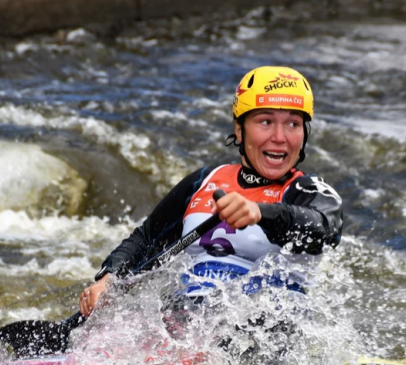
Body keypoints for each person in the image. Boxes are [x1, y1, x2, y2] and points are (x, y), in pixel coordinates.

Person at [79, 66, 343, 320]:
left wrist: (260, 213)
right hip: (189, 323)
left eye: (293, 124)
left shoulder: (307, 190)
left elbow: (325, 229)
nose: (279, 137)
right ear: (239, 130)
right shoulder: (206, 180)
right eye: (265, 121)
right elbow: (146, 238)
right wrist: (109, 279)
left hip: (267, 332)